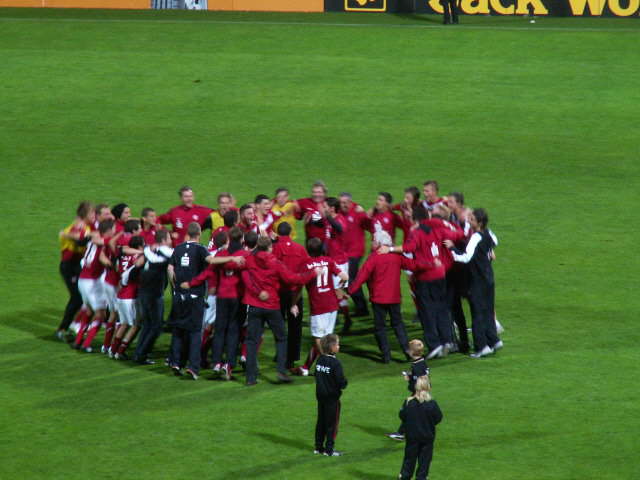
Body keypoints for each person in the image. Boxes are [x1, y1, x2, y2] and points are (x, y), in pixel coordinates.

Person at [167, 222, 244, 380]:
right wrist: (232, 257)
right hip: (195, 296)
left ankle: (175, 362)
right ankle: (193, 367)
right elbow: (211, 261)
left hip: (179, 295)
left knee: (178, 330)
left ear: (187, 233)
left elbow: (170, 268)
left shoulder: (178, 248)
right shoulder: (201, 249)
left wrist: (174, 286)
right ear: (199, 234)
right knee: (196, 332)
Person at [240, 236, 319, 386]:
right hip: (272, 306)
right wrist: (312, 274)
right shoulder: (275, 263)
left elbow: (244, 274)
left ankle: (250, 377)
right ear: (269, 248)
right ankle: (281, 371)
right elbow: (293, 279)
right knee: (281, 338)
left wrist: (256, 292)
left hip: (254, 305)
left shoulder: (249, 259)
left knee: (251, 341)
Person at [349, 230, 436, 363]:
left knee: (380, 328)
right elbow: (414, 265)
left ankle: (386, 356)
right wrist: (430, 264)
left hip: (378, 299)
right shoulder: (396, 256)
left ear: (379, 243)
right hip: (394, 298)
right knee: (398, 324)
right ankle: (407, 351)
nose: (372, 243)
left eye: (373, 240)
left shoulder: (374, 257)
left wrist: (350, 291)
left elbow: (362, 276)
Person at [379, 206, 451, 360]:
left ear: (415, 218)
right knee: (441, 308)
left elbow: (409, 248)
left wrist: (390, 249)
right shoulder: (435, 229)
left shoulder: (417, 232)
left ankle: (434, 345)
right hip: (440, 274)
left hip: (426, 276)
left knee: (426, 311)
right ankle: (447, 340)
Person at [444, 208, 502, 358]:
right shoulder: (489, 233)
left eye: (472, 219)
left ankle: (481, 346)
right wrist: (485, 252)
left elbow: (465, 257)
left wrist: (452, 249)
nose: (469, 221)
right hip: (488, 277)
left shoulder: (476, 237)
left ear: (479, 223)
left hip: (477, 280)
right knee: (488, 310)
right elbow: (495, 242)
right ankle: (494, 340)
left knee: (477, 313)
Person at [295, 238, 348, 376]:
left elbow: (299, 284)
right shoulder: (329, 260)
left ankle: (329, 366)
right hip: (332, 305)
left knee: (319, 338)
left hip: (318, 306)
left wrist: (293, 303)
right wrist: (342, 284)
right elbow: (344, 276)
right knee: (326, 338)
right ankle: (306, 367)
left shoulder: (306, 264)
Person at [272, 222, 309, 369]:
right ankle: (292, 358)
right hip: (296, 293)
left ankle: (280, 354)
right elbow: (306, 268)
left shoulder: (274, 248)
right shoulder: (300, 249)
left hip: (278, 292)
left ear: (278, 232)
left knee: (279, 324)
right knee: (295, 326)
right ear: (290, 232)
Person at [132, 229, 173, 365]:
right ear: (163, 240)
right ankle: (142, 353)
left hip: (144, 291)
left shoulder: (149, 251)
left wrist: (148, 250)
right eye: (169, 238)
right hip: (153, 294)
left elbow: (142, 261)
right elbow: (163, 258)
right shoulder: (163, 253)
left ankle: (139, 354)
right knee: (156, 326)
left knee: (148, 324)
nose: (171, 241)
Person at [56, 201, 95, 340]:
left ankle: (74, 325)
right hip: (69, 266)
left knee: (83, 297)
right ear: (85, 214)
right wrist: (66, 235)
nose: (94, 215)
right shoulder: (77, 227)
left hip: (77, 265)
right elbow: (79, 239)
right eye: (92, 213)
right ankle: (62, 329)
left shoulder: (85, 226)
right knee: (77, 298)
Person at [398, 375, 443, 480]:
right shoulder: (432, 404)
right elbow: (438, 418)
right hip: (427, 437)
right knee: (424, 465)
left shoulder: (409, 402)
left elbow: (402, 416)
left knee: (408, 462)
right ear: (428, 388)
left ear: (416, 387)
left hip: (412, 437)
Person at [110, 236, 146, 360]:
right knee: (136, 325)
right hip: (130, 296)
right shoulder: (138, 256)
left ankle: (113, 350)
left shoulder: (123, 256)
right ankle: (120, 351)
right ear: (140, 246)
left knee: (124, 324)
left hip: (121, 295)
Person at [386, 339, 430, 441]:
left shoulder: (416, 366)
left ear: (412, 352)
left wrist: (408, 379)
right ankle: (402, 432)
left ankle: (404, 433)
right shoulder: (421, 362)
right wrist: (410, 375)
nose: (407, 351)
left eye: (409, 349)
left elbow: (418, 382)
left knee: (406, 412)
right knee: (412, 413)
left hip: (418, 393)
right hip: (422, 392)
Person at [314, 333, 348, 457]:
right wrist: (344, 383)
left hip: (320, 396)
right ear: (332, 347)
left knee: (321, 421)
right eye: (337, 344)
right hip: (332, 398)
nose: (339, 346)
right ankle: (329, 450)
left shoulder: (319, 359)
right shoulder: (335, 363)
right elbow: (341, 382)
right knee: (332, 424)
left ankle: (318, 447)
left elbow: (316, 375)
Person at [339, 192, 369, 317]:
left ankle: (362, 308)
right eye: (341, 202)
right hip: (343, 253)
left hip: (355, 252)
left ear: (351, 202)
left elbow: (369, 225)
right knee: (345, 280)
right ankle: (348, 306)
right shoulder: (338, 211)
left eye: (345, 202)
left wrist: (365, 214)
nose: (343, 205)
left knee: (350, 280)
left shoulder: (357, 212)